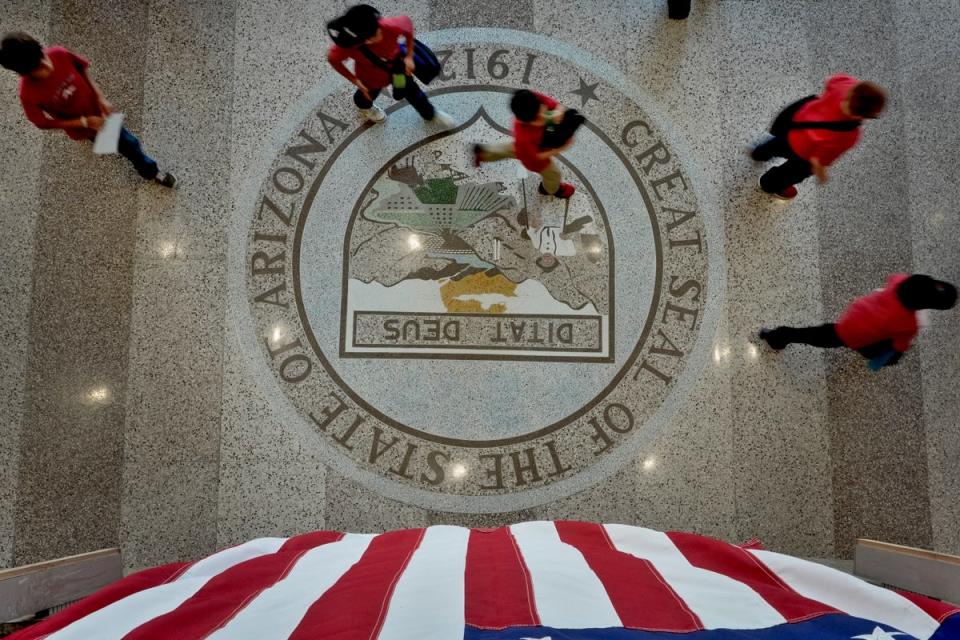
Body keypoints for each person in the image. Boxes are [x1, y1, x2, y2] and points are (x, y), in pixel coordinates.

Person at [0, 32, 175, 187]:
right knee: (130, 144)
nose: (47, 65)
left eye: (42, 57)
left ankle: (105, 142)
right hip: (83, 125)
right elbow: (41, 122)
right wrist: (83, 122)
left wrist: (99, 96)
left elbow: (81, 67)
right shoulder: (28, 93)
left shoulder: (57, 53)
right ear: (24, 72)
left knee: (119, 141)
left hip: (97, 111)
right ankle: (150, 171)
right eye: (38, 67)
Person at [759, 274, 957, 370]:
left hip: (855, 314)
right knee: (816, 337)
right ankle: (778, 336)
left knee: (817, 333)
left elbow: (893, 277)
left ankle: (776, 336)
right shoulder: (907, 323)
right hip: (854, 335)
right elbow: (900, 344)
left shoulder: (899, 282)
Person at [750, 74, 885, 200]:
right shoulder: (849, 135)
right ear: (860, 116)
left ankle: (758, 153)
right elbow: (818, 160)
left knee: (776, 145)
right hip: (804, 152)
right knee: (791, 173)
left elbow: (831, 80)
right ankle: (768, 184)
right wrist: (821, 174)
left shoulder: (846, 85)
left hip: (796, 124)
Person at [326, 4, 453, 128]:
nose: (377, 37)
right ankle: (364, 106)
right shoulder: (349, 45)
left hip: (397, 70)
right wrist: (355, 81)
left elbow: (407, 26)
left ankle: (430, 114)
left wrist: (409, 56)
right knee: (366, 95)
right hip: (370, 78)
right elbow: (333, 59)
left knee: (411, 91)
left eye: (376, 32)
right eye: (369, 38)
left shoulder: (389, 26)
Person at [473, 89, 579, 199]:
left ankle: (484, 153)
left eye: (541, 108)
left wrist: (559, 110)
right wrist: (559, 149)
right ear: (527, 121)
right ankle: (551, 189)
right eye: (539, 116)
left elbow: (548, 101)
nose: (544, 112)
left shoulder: (529, 100)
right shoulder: (525, 136)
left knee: (510, 149)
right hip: (533, 158)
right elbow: (535, 157)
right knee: (553, 174)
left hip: (525, 148)